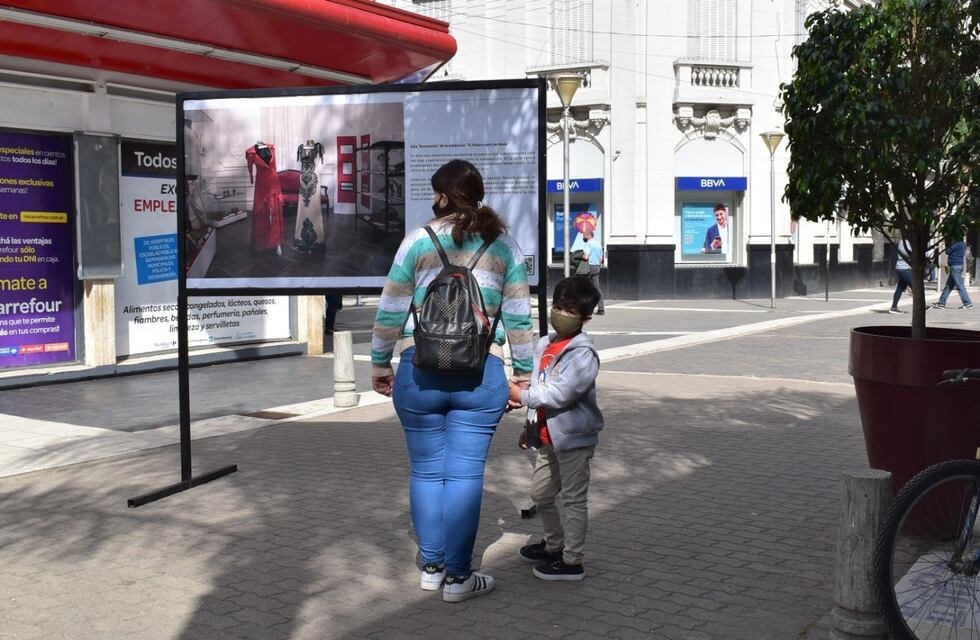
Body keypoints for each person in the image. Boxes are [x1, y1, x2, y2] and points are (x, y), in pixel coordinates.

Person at [370, 159, 535, 603]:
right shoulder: (504, 248)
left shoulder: (417, 242)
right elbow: (520, 318)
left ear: (442, 196)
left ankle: (432, 566)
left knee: (426, 472)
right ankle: (460, 578)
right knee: (464, 476)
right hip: (481, 376)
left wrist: (380, 363)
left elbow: (390, 309)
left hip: (418, 373)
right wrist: (522, 374)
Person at [507, 276, 603, 581]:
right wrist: (530, 424)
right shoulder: (544, 344)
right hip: (548, 437)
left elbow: (560, 394)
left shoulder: (583, 355)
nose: (561, 314)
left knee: (574, 499)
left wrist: (520, 396)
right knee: (541, 494)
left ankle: (572, 560)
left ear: (586, 318)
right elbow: (540, 387)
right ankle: (553, 545)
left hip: (574, 438)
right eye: (558, 306)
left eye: (570, 310)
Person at [933, 236, 974, 309]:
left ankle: (967, 303)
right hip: (959, 265)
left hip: (955, 266)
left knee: (959, 285)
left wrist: (948, 243)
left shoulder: (956, 244)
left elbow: (947, 251)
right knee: (949, 285)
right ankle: (941, 302)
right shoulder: (963, 244)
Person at [889, 239, 913, 314]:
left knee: (900, 288)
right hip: (903, 268)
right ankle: (922, 306)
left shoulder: (909, 241)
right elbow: (905, 253)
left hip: (905, 267)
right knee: (916, 286)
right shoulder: (904, 242)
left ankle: (894, 307)